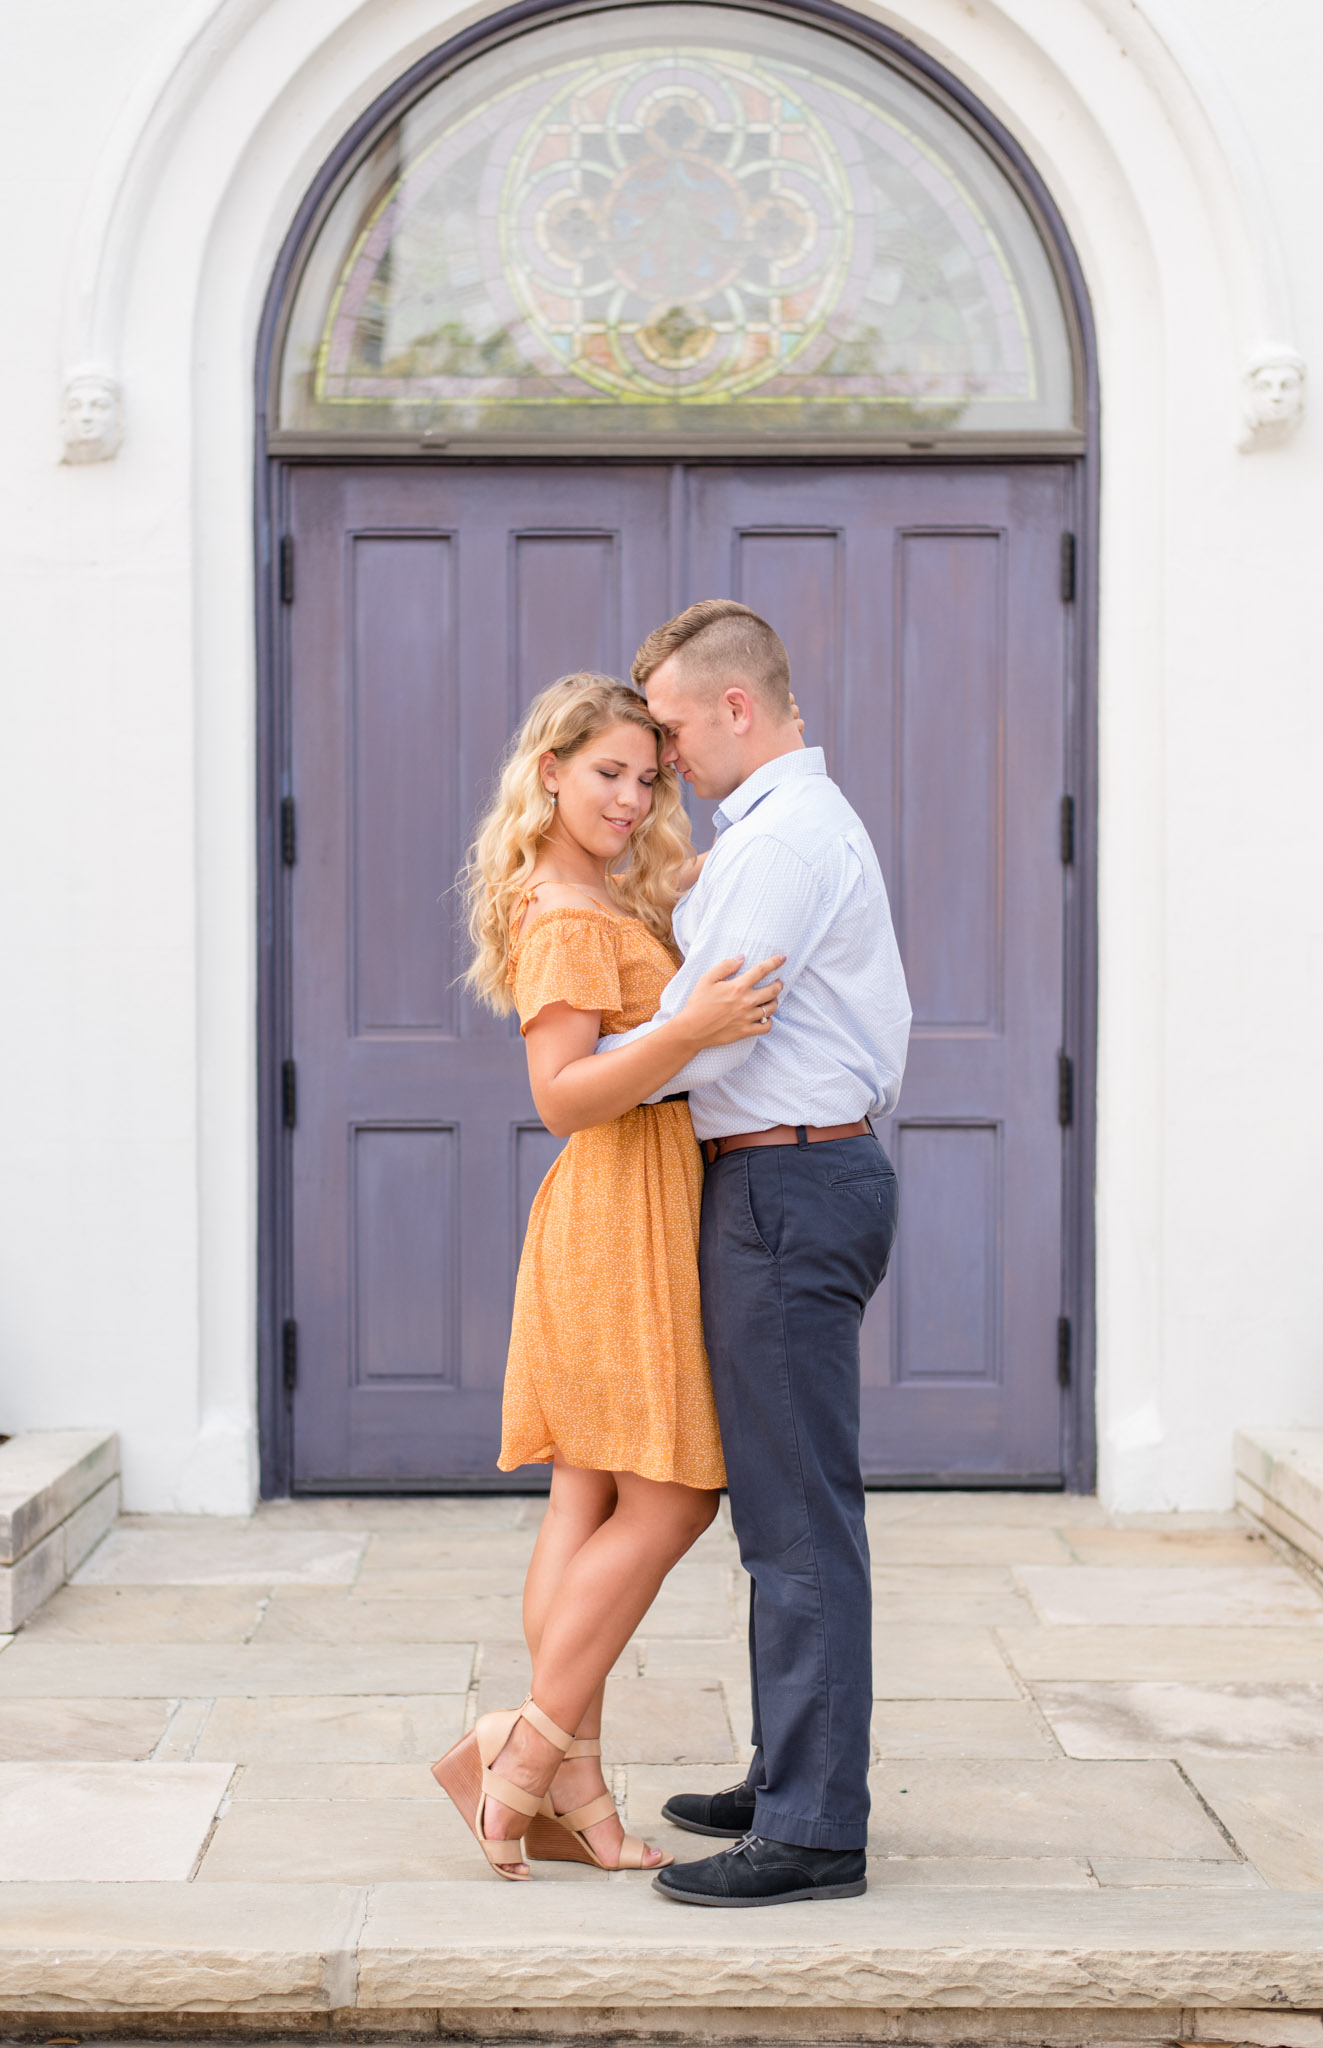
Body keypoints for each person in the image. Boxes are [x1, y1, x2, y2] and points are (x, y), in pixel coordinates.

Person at [432, 672, 785, 1881]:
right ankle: (522, 1747)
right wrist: (687, 1032)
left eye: (649, 774)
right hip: (616, 1211)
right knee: (676, 1494)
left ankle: (568, 1779)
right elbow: (560, 1095)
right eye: (606, 773)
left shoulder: (595, 889)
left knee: (584, 1496)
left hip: (631, 1207)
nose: (632, 798)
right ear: (549, 771)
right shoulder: (568, 914)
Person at [596, 600, 911, 1908]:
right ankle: (794, 1772)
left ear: (736, 706)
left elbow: (703, 1030)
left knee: (798, 1523)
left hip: (786, 1180)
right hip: (779, 1175)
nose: (660, 756)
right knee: (781, 1510)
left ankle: (812, 1830)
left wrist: (586, 1072)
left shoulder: (780, 842)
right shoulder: (775, 833)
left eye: (667, 727)